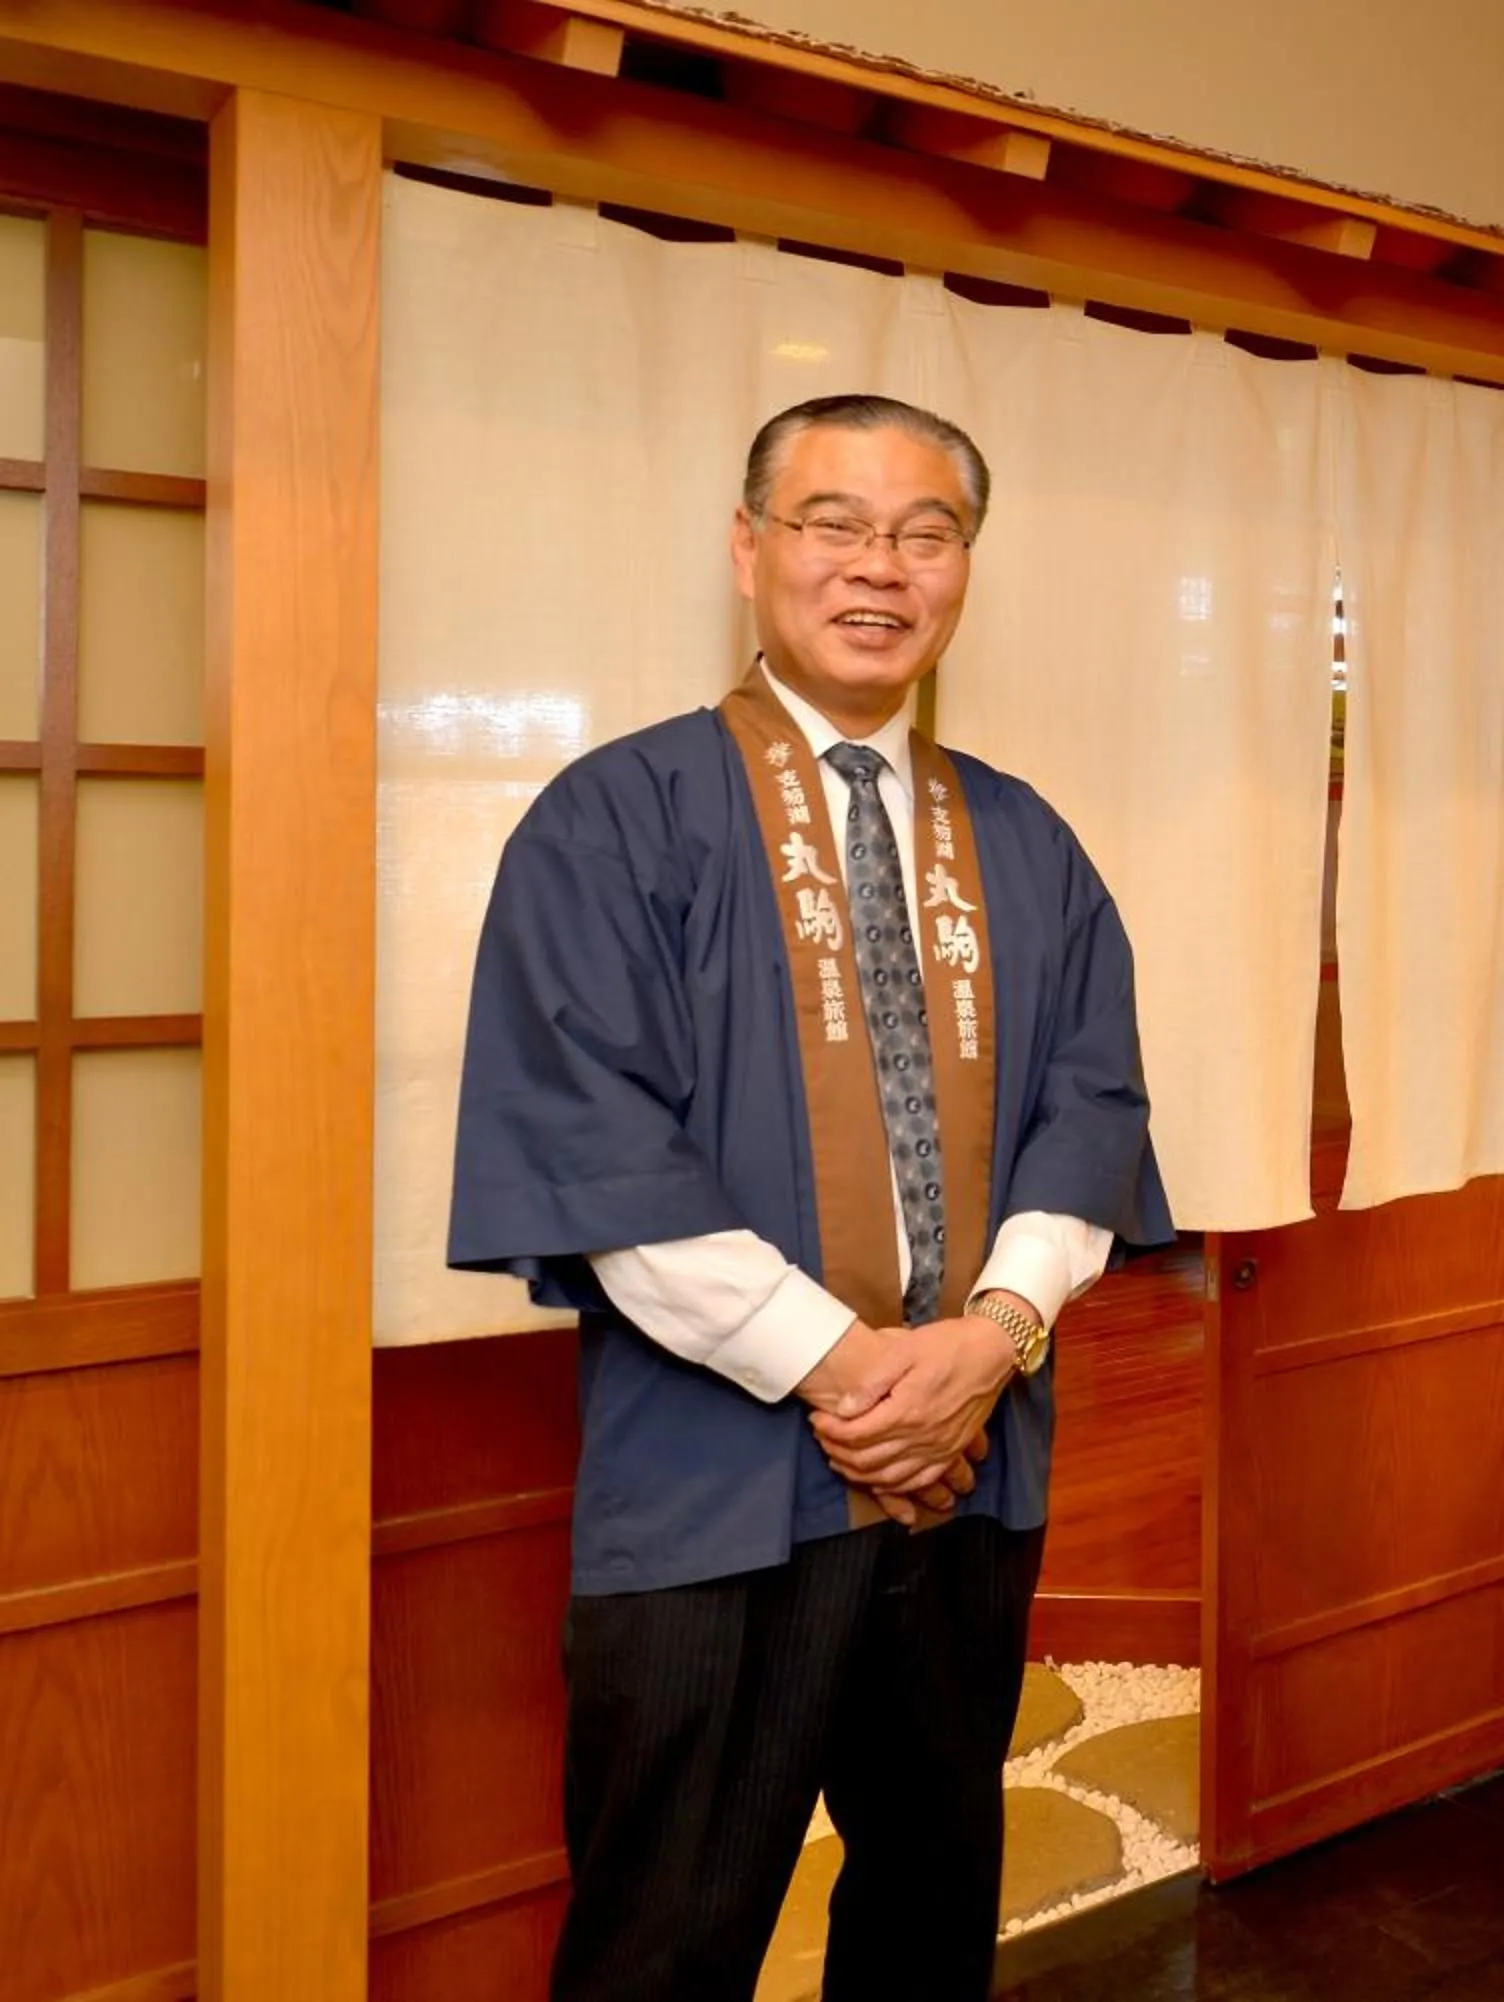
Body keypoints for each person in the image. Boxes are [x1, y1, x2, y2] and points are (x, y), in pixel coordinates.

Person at [448, 392, 1171, 2002]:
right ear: (749, 547)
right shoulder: (616, 819)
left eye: (926, 532)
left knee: (931, 1901)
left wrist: (988, 1341)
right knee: (666, 1938)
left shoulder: (1027, 841)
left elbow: (1093, 1107)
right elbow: (599, 1148)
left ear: (963, 567)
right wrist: (859, 1375)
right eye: (833, 523)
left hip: (967, 1473)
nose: (879, 566)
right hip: (715, 1483)